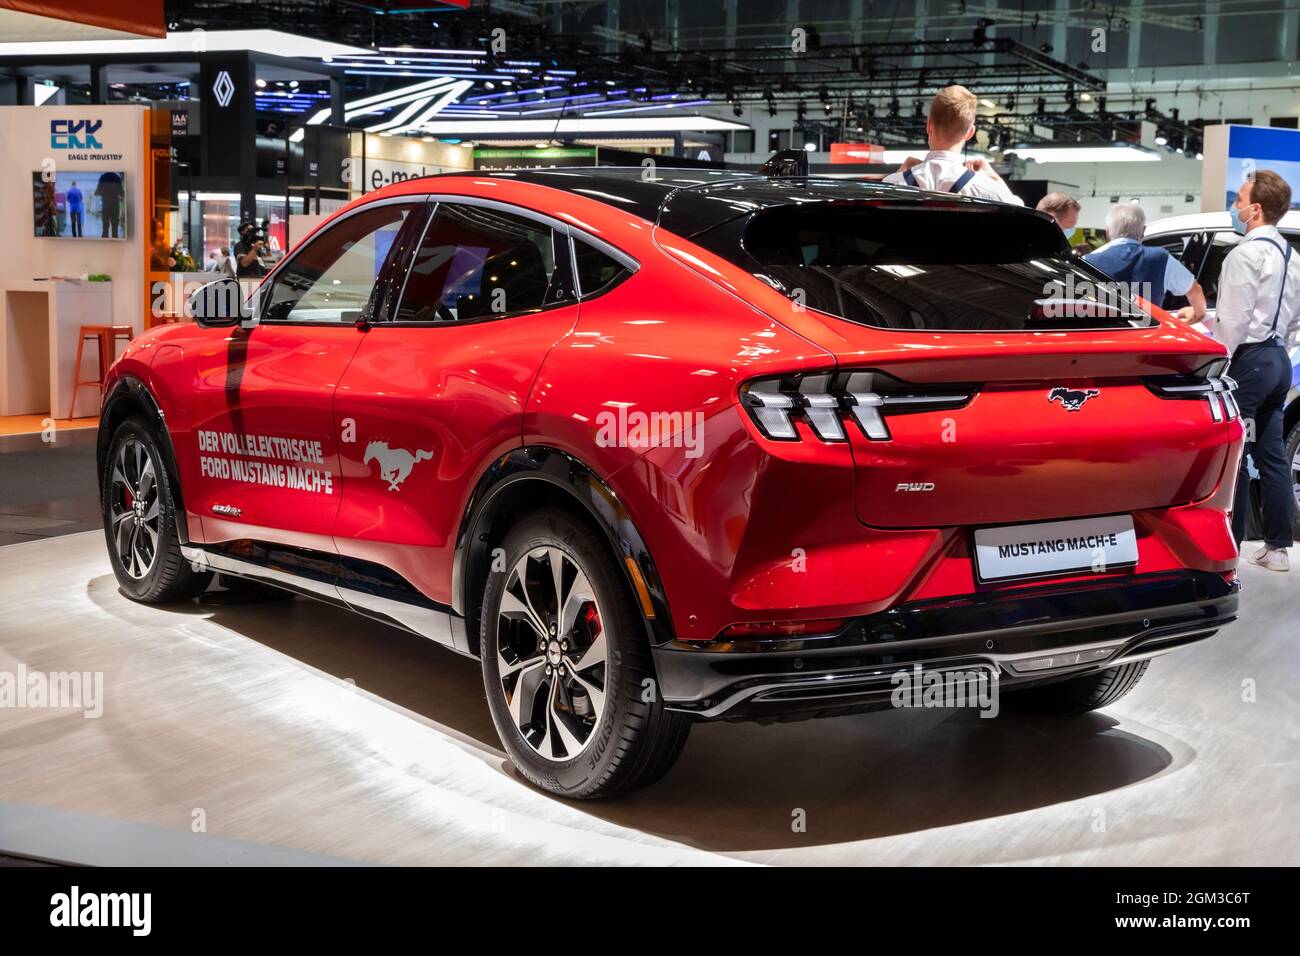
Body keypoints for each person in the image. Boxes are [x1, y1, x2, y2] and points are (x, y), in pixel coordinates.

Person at [1215, 169, 1300, 571]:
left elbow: (1232, 320)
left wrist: (1218, 365)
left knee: (1231, 452)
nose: (1235, 207)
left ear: (1256, 209)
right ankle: (1278, 549)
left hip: (1247, 361)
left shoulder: (1243, 254)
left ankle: (1228, 546)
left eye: (1239, 200)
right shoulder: (1292, 256)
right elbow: (1296, 320)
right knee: (1271, 454)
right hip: (1279, 359)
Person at [884, 85, 1023, 204]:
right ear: (970, 133)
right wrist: (995, 177)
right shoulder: (987, 189)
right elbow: (1019, 209)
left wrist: (899, 175)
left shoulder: (892, 185)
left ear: (929, 125)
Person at [1084, 203, 1206, 323]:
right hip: (1148, 333)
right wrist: (1197, 313)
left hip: (1105, 334)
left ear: (1107, 231)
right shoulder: (1160, 258)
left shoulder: (1087, 261)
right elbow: (1194, 290)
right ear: (1143, 231)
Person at [94, 171, 123, 239]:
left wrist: (104, 194)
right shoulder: (117, 178)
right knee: (115, 228)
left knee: (105, 228)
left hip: (106, 206)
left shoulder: (103, 177)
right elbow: (121, 193)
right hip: (115, 205)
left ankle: (105, 244)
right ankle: (115, 244)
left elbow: (98, 191)